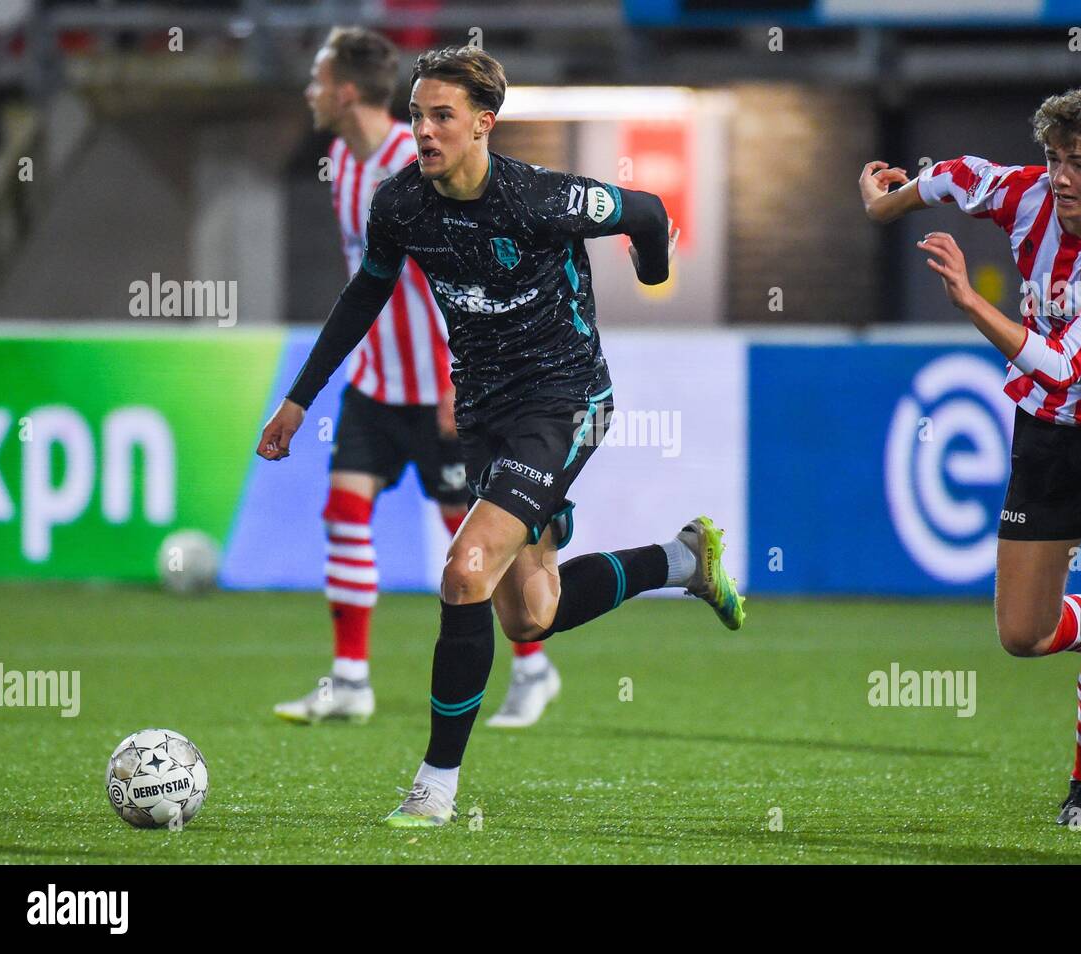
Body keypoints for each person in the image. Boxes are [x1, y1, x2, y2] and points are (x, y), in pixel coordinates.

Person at [257, 46, 746, 826]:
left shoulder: (540, 199)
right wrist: (297, 401)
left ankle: (435, 786)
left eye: (442, 116)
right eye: (417, 114)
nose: (424, 129)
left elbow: (648, 212)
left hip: (566, 401)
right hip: (483, 413)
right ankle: (685, 559)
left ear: (484, 125)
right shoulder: (401, 206)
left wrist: (653, 275)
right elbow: (363, 299)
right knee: (530, 614)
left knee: (465, 568)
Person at [859, 87, 1081, 827]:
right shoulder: (1027, 194)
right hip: (1049, 431)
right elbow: (958, 176)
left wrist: (970, 301)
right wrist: (883, 208)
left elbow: (1063, 363)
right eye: (1054, 158)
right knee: (1022, 635)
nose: (1060, 177)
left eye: (1079, 164)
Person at [272, 28, 562, 730]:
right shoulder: (341, 162)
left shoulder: (425, 162)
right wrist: (302, 397)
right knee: (343, 513)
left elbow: (463, 279)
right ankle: (348, 681)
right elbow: (365, 288)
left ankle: (533, 668)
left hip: (445, 388)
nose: (309, 92)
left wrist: (452, 379)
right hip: (375, 383)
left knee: (476, 545)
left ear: (344, 90)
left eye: (317, 79)